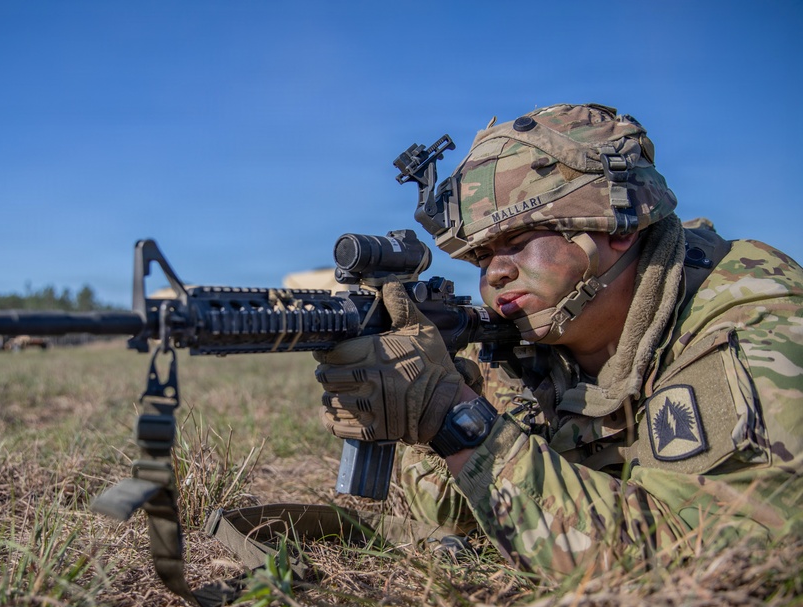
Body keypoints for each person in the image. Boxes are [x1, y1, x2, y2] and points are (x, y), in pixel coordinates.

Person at [313, 103, 803, 576]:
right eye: (481, 255)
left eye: (519, 241)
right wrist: (423, 411)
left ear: (615, 229)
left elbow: (699, 561)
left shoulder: (748, 326)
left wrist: (456, 420)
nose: (495, 273)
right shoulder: (535, 341)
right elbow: (450, 513)